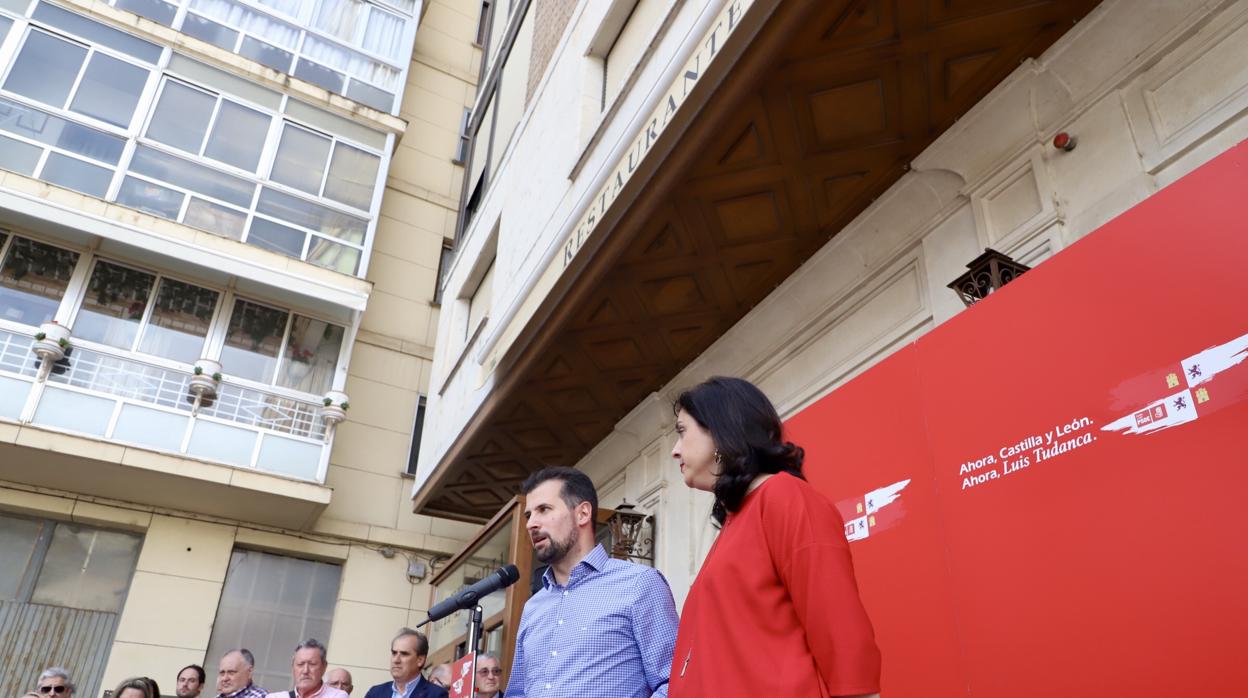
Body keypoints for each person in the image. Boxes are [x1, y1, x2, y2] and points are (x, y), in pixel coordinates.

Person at [666, 376, 881, 697]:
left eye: (683, 432)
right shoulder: (734, 522)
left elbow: (840, 628)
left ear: (721, 429)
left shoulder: (783, 496)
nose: (675, 450)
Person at [507, 466, 679, 698]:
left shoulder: (638, 584)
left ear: (583, 514)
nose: (531, 524)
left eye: (544, 510)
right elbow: (517, 693)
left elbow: (674, 682)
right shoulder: (533, 608)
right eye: (529, 515)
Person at [363, 629, 447, 698]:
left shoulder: (436, 695)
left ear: (420, 660)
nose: (396, 660)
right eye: (394, 653)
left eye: (404, 654)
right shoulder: (375, 693)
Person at [267, 639, 347, 698]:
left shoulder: (337, 696)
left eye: (312, 664)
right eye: (300, 664)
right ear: (293, 667)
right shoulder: (274, 696)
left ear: (324, 667)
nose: (305, 671)